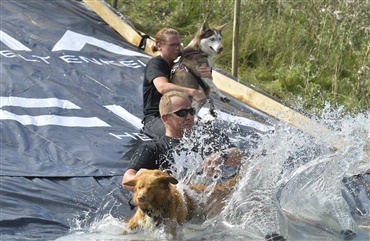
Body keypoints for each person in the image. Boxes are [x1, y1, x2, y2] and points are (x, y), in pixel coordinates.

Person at [123, 91, 244, 191]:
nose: (189, 117)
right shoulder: (155, 148)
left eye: (191, 111)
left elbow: (240, 156)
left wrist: (222, 156)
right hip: (178, 206)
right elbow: (127, 180)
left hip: (210, 201)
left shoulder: (207, 137)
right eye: (182, 113)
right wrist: (145, 180)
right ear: (166, 118)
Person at [142, 28, 211, 138]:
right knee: (182, 136)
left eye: (179, 44)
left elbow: (203, 96)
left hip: (182, 116)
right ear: (159, 46)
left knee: (210, 136)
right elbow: (162, 87)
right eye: (172, 45)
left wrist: (206, 78)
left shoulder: (181, 67)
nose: (177, 48)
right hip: (157, 118)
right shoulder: (155, 64)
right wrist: (192, 91)